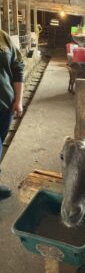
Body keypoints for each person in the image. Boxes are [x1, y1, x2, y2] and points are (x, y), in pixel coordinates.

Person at [0, 29, 24, 198]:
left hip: (4, 105)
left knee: (0, 141)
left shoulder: (3, 37)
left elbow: (18, 67)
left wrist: (18, 100)